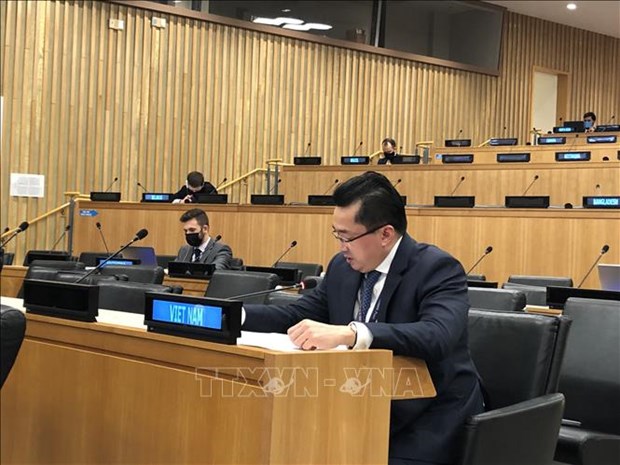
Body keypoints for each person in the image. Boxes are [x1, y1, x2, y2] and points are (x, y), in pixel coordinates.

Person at [243, 171, 484, 465]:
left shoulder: (436, 268)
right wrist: (234, 315)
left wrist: (354, 333)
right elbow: (297, 315)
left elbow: (437, 335)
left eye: (347, 237)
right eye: (337, 235)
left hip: (429, 416)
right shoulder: (342, 267)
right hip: (358, 406)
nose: (341, 246)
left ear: (385, 234)